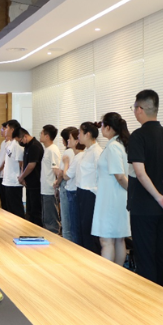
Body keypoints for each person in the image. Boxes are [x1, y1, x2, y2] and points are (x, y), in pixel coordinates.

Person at [128, 90, 163, 286]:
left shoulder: (138, 136)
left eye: (134, 108)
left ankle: (147, 298)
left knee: (145, 255)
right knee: (160, 253)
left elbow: (140, 173)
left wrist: (158, 196)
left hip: (144, 207)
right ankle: (162, 292)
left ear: (140, 109)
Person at [92, 113, 131, 265]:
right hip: (116, 196)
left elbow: (120, 176)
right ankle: (117, 274)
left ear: (108, 127)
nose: (101, 128)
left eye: (102, 125)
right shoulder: (118, 144)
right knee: (118, 239)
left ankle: (107, 275)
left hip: (111, 198)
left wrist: (132, 193)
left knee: (107, 240)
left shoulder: (114, 147)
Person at [76, 122, 103, 254]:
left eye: (79, 133)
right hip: (81, 192)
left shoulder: (97, 152)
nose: (78, 136)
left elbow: (101, 175)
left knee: (89, 230)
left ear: (87, 134)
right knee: (82, 229)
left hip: (91, 194)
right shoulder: (86, 151)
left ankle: (92, 256)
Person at [63, 127, 85, 244]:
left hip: (73, 192)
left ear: (76, 141)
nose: (68, 140)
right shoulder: (81, 155)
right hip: (76, 191)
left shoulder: (78, 157)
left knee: (74, 226)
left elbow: (66, 176)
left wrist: (66, 162)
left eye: (70, 138)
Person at [18, 128, 43, 226]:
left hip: (36, 183)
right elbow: (24, 163)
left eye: (20, 140)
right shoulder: (27, 146)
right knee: (29, 211)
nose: (20, 143)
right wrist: (22, 177)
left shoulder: (35, 146)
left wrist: (21, 177)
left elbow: (31, 165)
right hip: (29, 183)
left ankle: (36, 231)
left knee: (35, 211)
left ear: (25, 136)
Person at [39, 125, 61, 233]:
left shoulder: (53, 150)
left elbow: (56, 170)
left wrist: (57, 187)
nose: (40, 135)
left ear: (47, 136)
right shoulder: (47, 149)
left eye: (42, 133)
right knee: (46, 218)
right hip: (45, 188)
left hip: (50, 189)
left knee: (51, 219)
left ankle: (54, 237)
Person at [55, 128, 76, 240]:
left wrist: (56, 184)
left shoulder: (68, 152)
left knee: (66, 221)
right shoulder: (80, 152)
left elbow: (62, 173)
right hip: (76, 187)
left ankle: (67, 243)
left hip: (66, 185)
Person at [2, 119, 24, 218]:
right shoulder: (10, 143)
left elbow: (21, 162)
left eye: (7, 128)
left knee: (16, 210)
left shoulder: (17, 144)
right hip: (7, 181)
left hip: (14, 182)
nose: (5, 130)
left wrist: (21, 177)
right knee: (9, 209)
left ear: (12, 130)